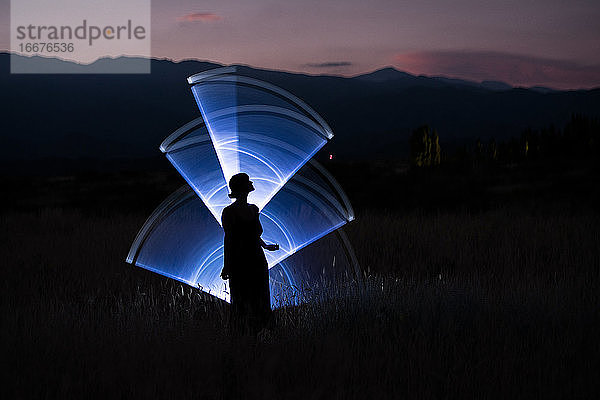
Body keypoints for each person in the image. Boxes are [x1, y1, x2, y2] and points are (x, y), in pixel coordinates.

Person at [220, 173, 279, 335]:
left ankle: (257, 334)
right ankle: (243, 335)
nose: (251, 183)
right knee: (242, 299)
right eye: (247, 181)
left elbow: (253, 235)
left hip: (257, 260)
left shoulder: (254, 209)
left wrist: (265, 246)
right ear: (242, 188)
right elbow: (229, 239)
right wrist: (227, 265)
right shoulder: (229, 212)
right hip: (241, 261)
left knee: (259, 297)